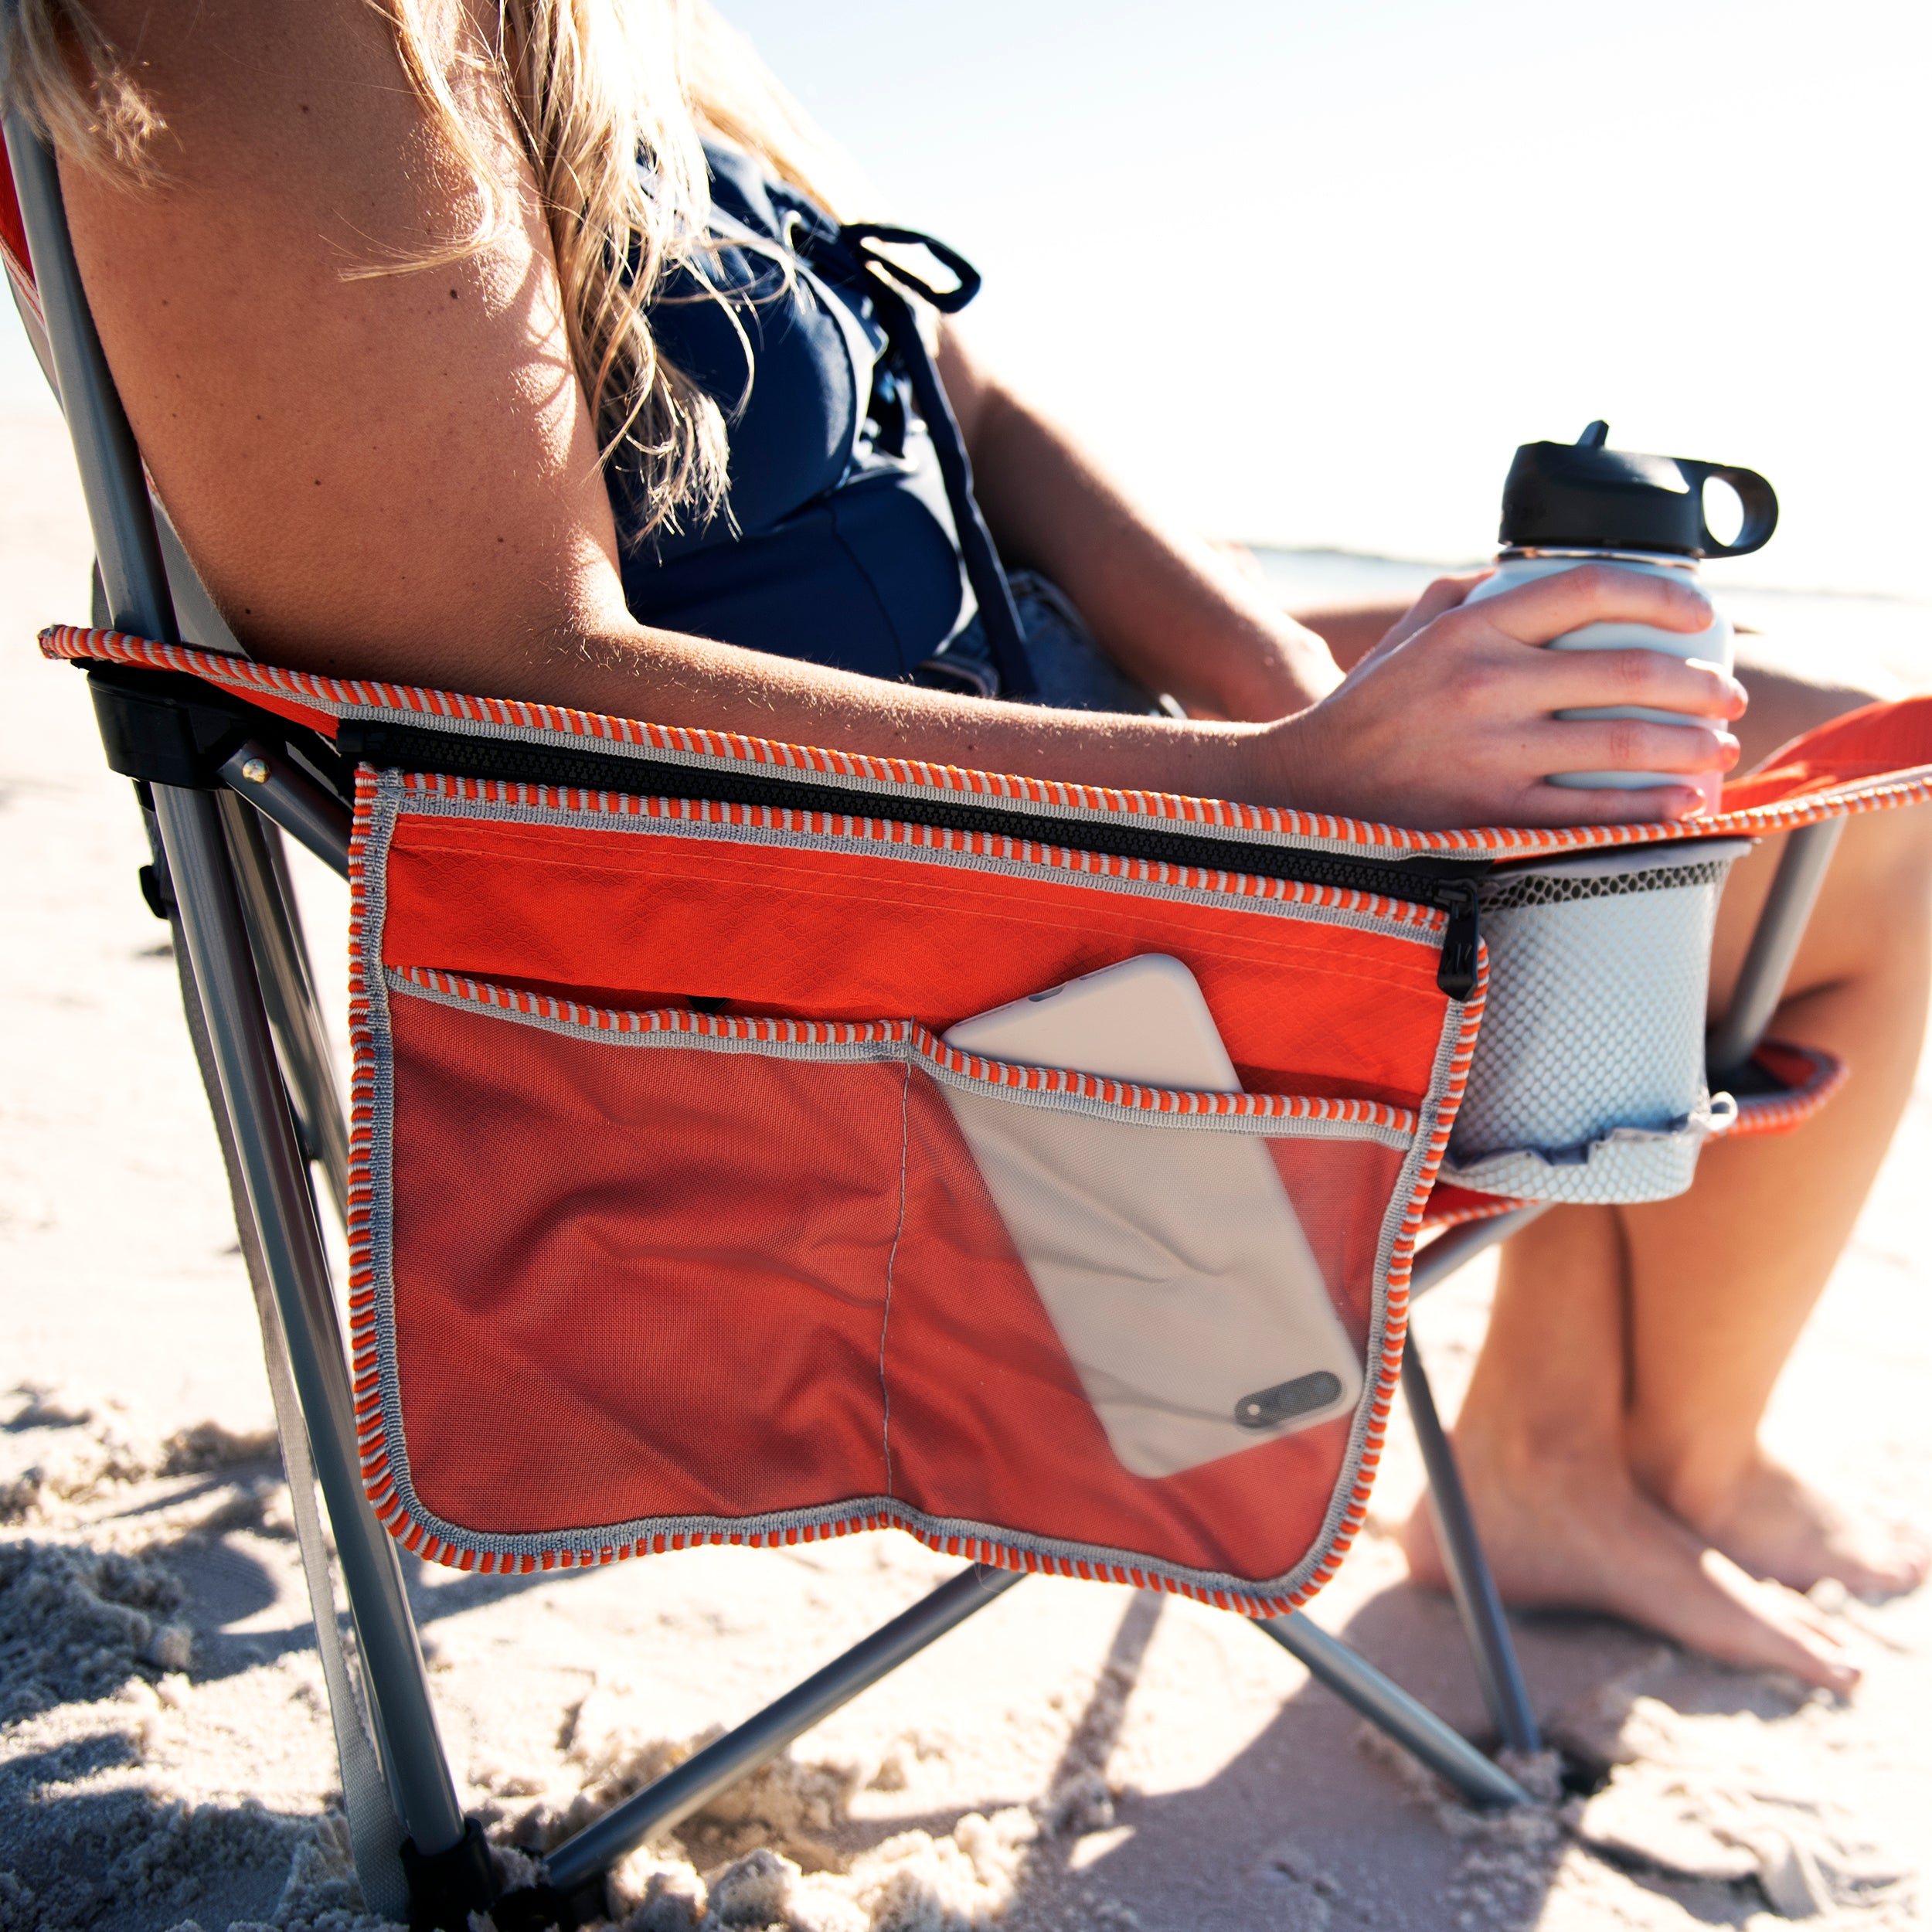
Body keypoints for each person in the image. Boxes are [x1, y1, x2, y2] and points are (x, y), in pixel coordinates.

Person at [8, 0, 1925, 1689]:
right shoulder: (246, 30)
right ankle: (1573, 1467)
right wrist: (1294, 792)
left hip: (1097, 785)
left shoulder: (594, 29)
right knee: (1866, 839)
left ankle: (1600, 1457)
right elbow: (494, 683)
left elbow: (972, 398)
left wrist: (1299, 702)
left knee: (1817, 743)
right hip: (932, 957)